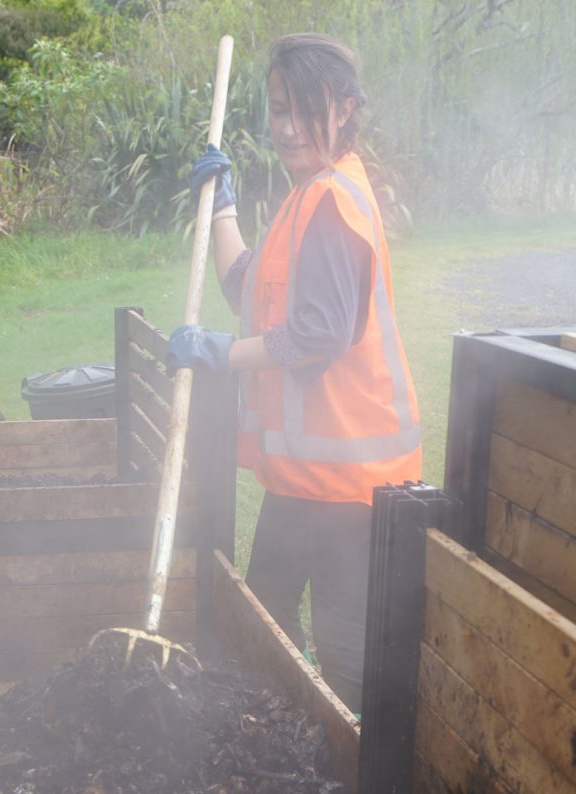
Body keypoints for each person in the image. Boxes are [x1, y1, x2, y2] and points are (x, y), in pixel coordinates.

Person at [167, 33, 421, 713]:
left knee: (343, 662)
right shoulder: (305, 197)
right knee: (264, 627)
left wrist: (223, 354)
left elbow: (318, 334)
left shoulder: (336, 202)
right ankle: (276, 755)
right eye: (277, 110)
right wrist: (221, 206)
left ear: (342, 107)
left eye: (301, 110)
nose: (284, 128)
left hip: (351, 490)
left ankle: (355, 789)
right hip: (303, 482)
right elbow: (248, 288)